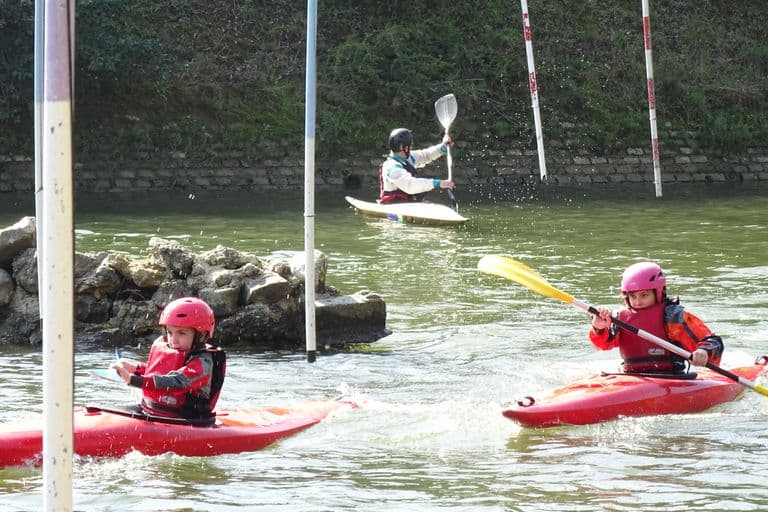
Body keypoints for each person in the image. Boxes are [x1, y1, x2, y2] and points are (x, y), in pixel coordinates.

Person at [589, 261, 724, 374]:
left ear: (658, 293)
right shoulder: (620, 318)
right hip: (632, 377)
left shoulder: (672, 317)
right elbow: (604, 345)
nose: (637, 302)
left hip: (670, 377)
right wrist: (598, 328)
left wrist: (703, 351)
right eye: (633, 296)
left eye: (644, 295)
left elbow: (713, 341)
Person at [111, 297, 226, 422]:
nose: (173, 340)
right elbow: (161, 373)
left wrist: (134, 380)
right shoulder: (176, 351)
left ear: (202, 335)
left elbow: (176, 381)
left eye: (182, 333)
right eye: (170, 333)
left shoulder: (202, 363)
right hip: (154, 411)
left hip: (188, 420)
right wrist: (136, 369)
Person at [378, 127, 455, 203]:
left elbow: (426, 155)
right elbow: (410, 186)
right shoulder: (392, 167)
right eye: (410, 145)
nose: (411, 147)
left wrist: (443, 147)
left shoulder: (408, 158)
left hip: (407, 203)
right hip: (392, 205)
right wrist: (437, 183)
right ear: (406, 148)